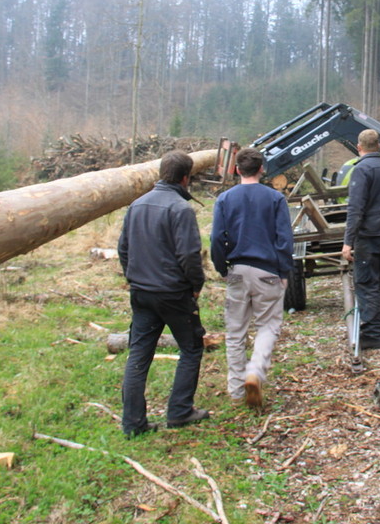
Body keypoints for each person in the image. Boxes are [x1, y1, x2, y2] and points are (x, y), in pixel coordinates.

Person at [118, 150, 208, 437]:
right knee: (191, 348)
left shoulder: (137, 205)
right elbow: (189, 255)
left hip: (142, 292)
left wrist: (133, 276)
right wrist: (196, 285)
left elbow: (123, 249)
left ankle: (133, 423)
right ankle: (180, 411)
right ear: (185, 178)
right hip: (173, 293)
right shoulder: (181, 209)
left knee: (138, 354)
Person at [211, 147, 294, 408]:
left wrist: (222, 268)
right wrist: (284, 271)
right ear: (261, 169)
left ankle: (237, 390)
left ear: (237, 169)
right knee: (268, 325)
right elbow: (284, 239)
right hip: (267, 271)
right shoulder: (275, 198)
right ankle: (255, 371)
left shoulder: (225, 199)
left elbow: (216, 238)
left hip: (237, 269)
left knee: (235, 331)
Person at [342, 129, 380, 350]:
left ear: (359, 147)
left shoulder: (361, 170)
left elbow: (355, 209)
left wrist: (348, 241)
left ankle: (372, 334)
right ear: (379, 146)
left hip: (369, 235)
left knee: (366, 283)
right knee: (379, 281)